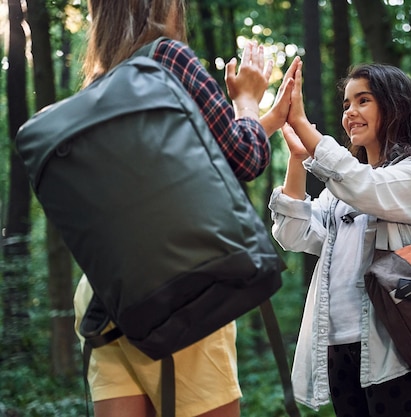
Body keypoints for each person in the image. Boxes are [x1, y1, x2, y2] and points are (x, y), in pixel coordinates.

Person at [73, 1, 298, 417]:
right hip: (178, 289)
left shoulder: (96, 88)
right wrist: (247, 99)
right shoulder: (168, 57)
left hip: (104, 296)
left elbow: (200, 164)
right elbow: (244, 160)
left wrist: (262, 121)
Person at [269, 60, 411, 416]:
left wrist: (302, 123)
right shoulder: (341, 192)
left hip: (390, 349)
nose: (351, 112)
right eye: (346, 104)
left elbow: (364, 186)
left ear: (394, 107)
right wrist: (297, 157)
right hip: (337, 344)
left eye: (363, 100)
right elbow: (294, 233)